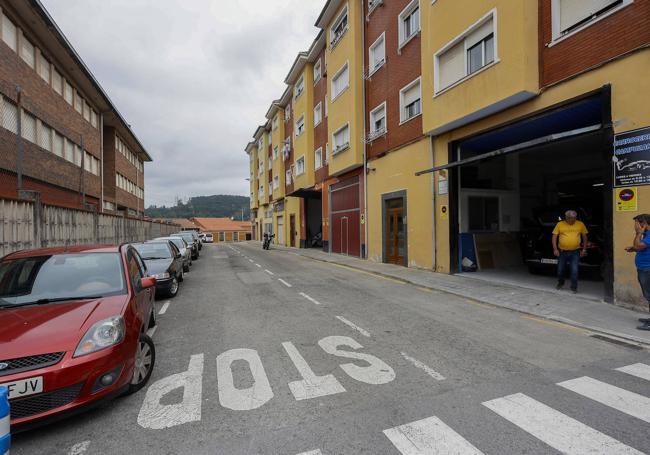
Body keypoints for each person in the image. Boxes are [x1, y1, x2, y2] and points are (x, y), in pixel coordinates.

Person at [552, 210, 589, 293]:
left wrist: (584, 249)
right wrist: (555, 249)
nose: (573, 220)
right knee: (560, 270)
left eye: (575, 218)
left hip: (575, 252)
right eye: (572, 219)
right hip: (562, 252)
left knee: (574, 270)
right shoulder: (560, 224)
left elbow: (584, 237)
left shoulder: (580, 224)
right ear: (567, 218)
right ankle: (561, 283)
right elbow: (554, 237)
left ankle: (574, 287)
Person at [625, 214, 650, 331]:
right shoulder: (647, 234)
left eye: (636, 224)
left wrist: (639, 233)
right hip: (644, 268)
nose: (635, 226)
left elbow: (639, 245)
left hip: (647, 269)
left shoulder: (647, 234)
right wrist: (634, 248)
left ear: (643, 224)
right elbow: (640, 247)